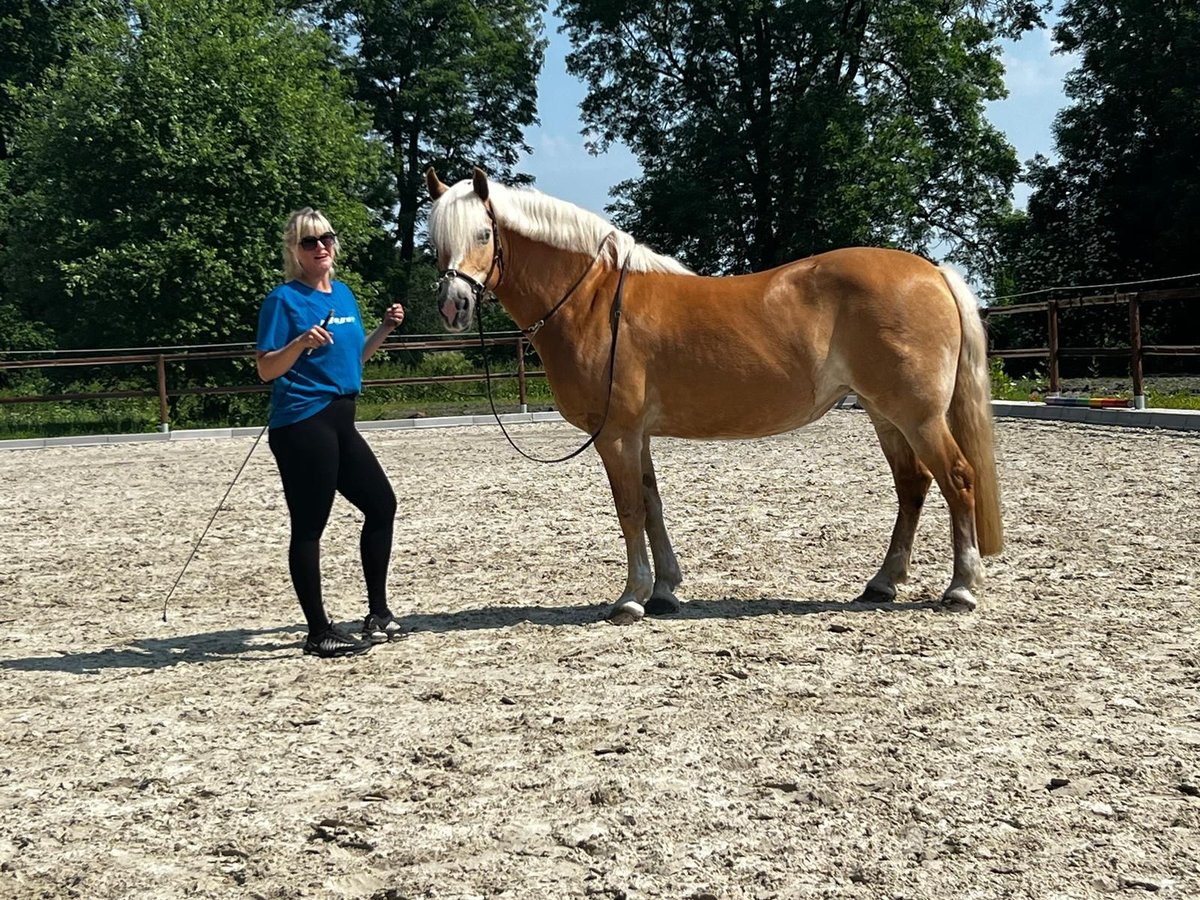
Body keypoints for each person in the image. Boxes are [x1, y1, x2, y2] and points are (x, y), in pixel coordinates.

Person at [256, 207, 405, 657]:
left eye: (325, 238)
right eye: (308, 241)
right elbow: (266, 368)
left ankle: (377, 613)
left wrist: (384, 329)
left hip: (342, 418)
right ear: (295, 252)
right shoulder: (283, 300)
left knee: (381, 504)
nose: (320, 246)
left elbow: (351, 360)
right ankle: (318, 631)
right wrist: (299, 343)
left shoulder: (343, 295)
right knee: (309, 526)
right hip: (302, 422)